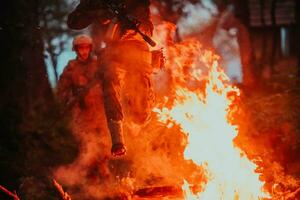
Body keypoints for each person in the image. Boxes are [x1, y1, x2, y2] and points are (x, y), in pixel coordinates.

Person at [67, 0, 160, 157]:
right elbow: (73, 22)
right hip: (113, 52)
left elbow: (148, 29)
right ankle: (117, 140)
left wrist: (133, 27)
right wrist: (100, 13)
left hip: (137, 51)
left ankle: (147, 133)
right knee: (110, 81)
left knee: (140, 115)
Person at [56, 34, 111, 180]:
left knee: (104, 148)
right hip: (82, 115)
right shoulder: (71, 68)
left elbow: (110, 85)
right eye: (81, 48)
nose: (84, 51)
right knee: (87, 149)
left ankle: (105, 180)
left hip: (100, 113)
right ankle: (90, 182)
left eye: (86, 47)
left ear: (90, 48)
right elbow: (62, 90)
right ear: (76, 50)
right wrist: (70, 100)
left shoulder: (98, 65)